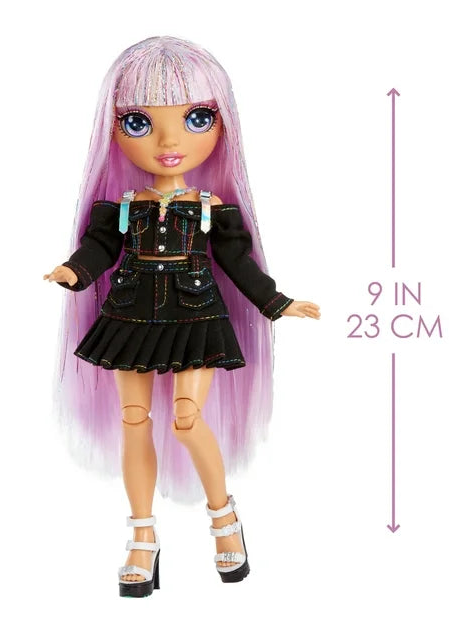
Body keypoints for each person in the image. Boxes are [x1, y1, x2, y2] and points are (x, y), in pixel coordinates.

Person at [43, 36, 320, 597]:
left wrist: (277, 303)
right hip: (129, 317)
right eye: (139, 123)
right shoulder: (123, 209)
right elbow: (99, 250)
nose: (169, 142)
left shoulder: (213, 212)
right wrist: (75, 271)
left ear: (221, 126)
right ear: (113, 130)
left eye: (196, 119)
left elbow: (238, 265)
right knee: (134, 421)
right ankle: (142, 536)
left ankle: (225, 519)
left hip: (195, 317)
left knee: (187, 420)